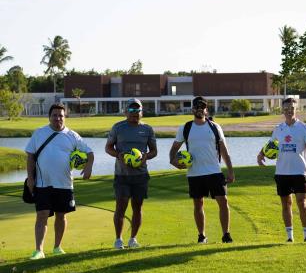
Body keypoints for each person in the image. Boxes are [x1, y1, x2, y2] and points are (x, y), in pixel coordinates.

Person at [25, 104, 94, 260]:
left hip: (64, 184)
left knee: (61, 215)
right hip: (43, 183)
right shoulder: (39, 133)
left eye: (61, 115)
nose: (58, 118)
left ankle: (57, 247)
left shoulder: (72, 135)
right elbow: (30, 157)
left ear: (65, 117)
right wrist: (30, 177)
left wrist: (88, 167)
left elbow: (90, 153)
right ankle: (39, 250)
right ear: (49, 117)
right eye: (55, 115)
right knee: (41, 215)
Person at [169, 96, 235, 243]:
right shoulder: (185, 128)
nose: (200, 109)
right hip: (194, 173)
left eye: (203, 107)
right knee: (198, 204)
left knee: (223, 201)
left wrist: (230, 171)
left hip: (214, 172)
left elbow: (224, 151)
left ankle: (226, 234)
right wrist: (174, 162)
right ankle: (202, 235)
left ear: (206, 109)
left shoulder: (215, 127)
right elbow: (173, 150)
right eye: (197, 107)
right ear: (192, 109)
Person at [257, 97, 306, 242]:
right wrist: (260, 154)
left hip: (299, 172)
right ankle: (290, 236)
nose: (289, 111)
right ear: (282, 110)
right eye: (286, 109)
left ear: (296, 109)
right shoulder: (278, 129)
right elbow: (270, 145)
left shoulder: (304, 128)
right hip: (282, 172)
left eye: (292, 108)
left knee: (302, 203)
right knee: (286, 204)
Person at [105, 98, 157, 249]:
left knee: (137, 207)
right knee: (120, 207)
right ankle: (118, 239)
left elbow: (154, 151)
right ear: (126, 111)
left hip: (140, 175)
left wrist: (146, 156)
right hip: (122, 175)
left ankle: (133, 239)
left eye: (138, 110)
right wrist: (118, 155)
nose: (135, 113)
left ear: (142, 112)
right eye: (132, 110)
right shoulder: (118, 127)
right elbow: (108, 147)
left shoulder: (147, 129)